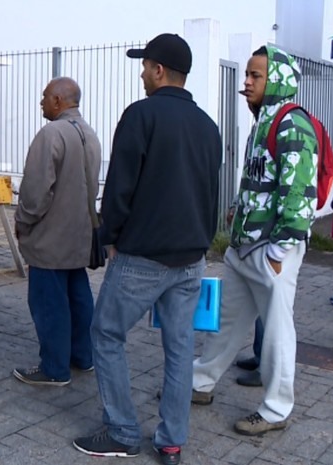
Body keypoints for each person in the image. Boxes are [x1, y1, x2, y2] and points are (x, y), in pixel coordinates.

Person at [73, 34, 221, 465]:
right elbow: (212, 192)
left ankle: (121, 431)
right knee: (179, 348)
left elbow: (120, 185)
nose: (141, 73)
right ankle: (172, 441)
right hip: (191, 258)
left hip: (143, 256)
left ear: (159, 70)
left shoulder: (141, 116)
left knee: (106, 333)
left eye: (145, 66)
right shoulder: (208, 126)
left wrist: (111, 236)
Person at [189, 45, 317, 437]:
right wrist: (236, 212)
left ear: (275, 79)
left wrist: (279, 251)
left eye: (254, 76)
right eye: (246, 74)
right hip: (245, 247)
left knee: (278, 330)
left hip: (270, 250)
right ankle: (200, 382)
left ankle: (277, 409)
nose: (245, 83)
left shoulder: (292, 125)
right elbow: (258, 181)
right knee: (228, 322)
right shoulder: (265, 122)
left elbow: (299, 191)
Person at [13, 77, 100, 386]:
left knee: (50, 303)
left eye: (45, 97)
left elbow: (36, 193)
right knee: (78, 296)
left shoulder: (51, 134)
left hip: (50, 239)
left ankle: (54, 368)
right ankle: (83, 357)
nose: (41, 102)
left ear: (59, 101)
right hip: (80, 236)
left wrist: (22, 221)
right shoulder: (90, 134)